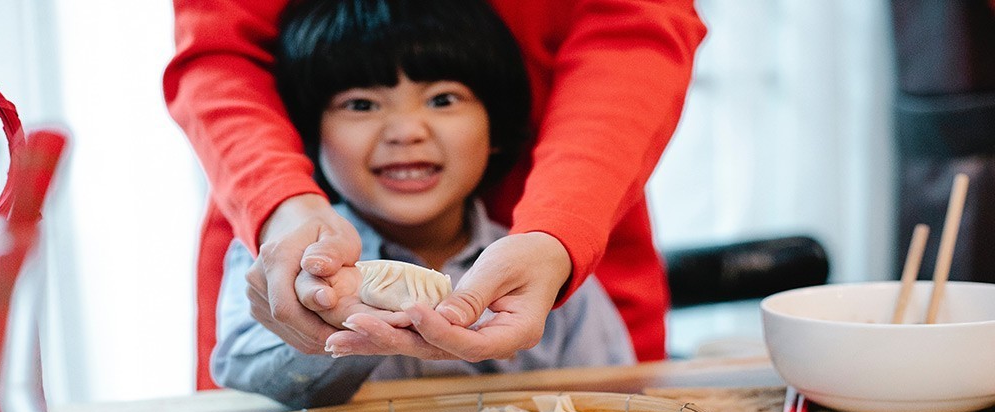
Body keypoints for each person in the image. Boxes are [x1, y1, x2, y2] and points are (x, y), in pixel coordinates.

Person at [163, 0, 706, 389]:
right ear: (309, 133)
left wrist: (558, 233)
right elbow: (248, 376)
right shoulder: (299, 264)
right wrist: (344, 331)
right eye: (361, 105)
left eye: (443, 100)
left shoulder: (560, 282)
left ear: (500, 129)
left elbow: (606, 406)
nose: (406, 130)